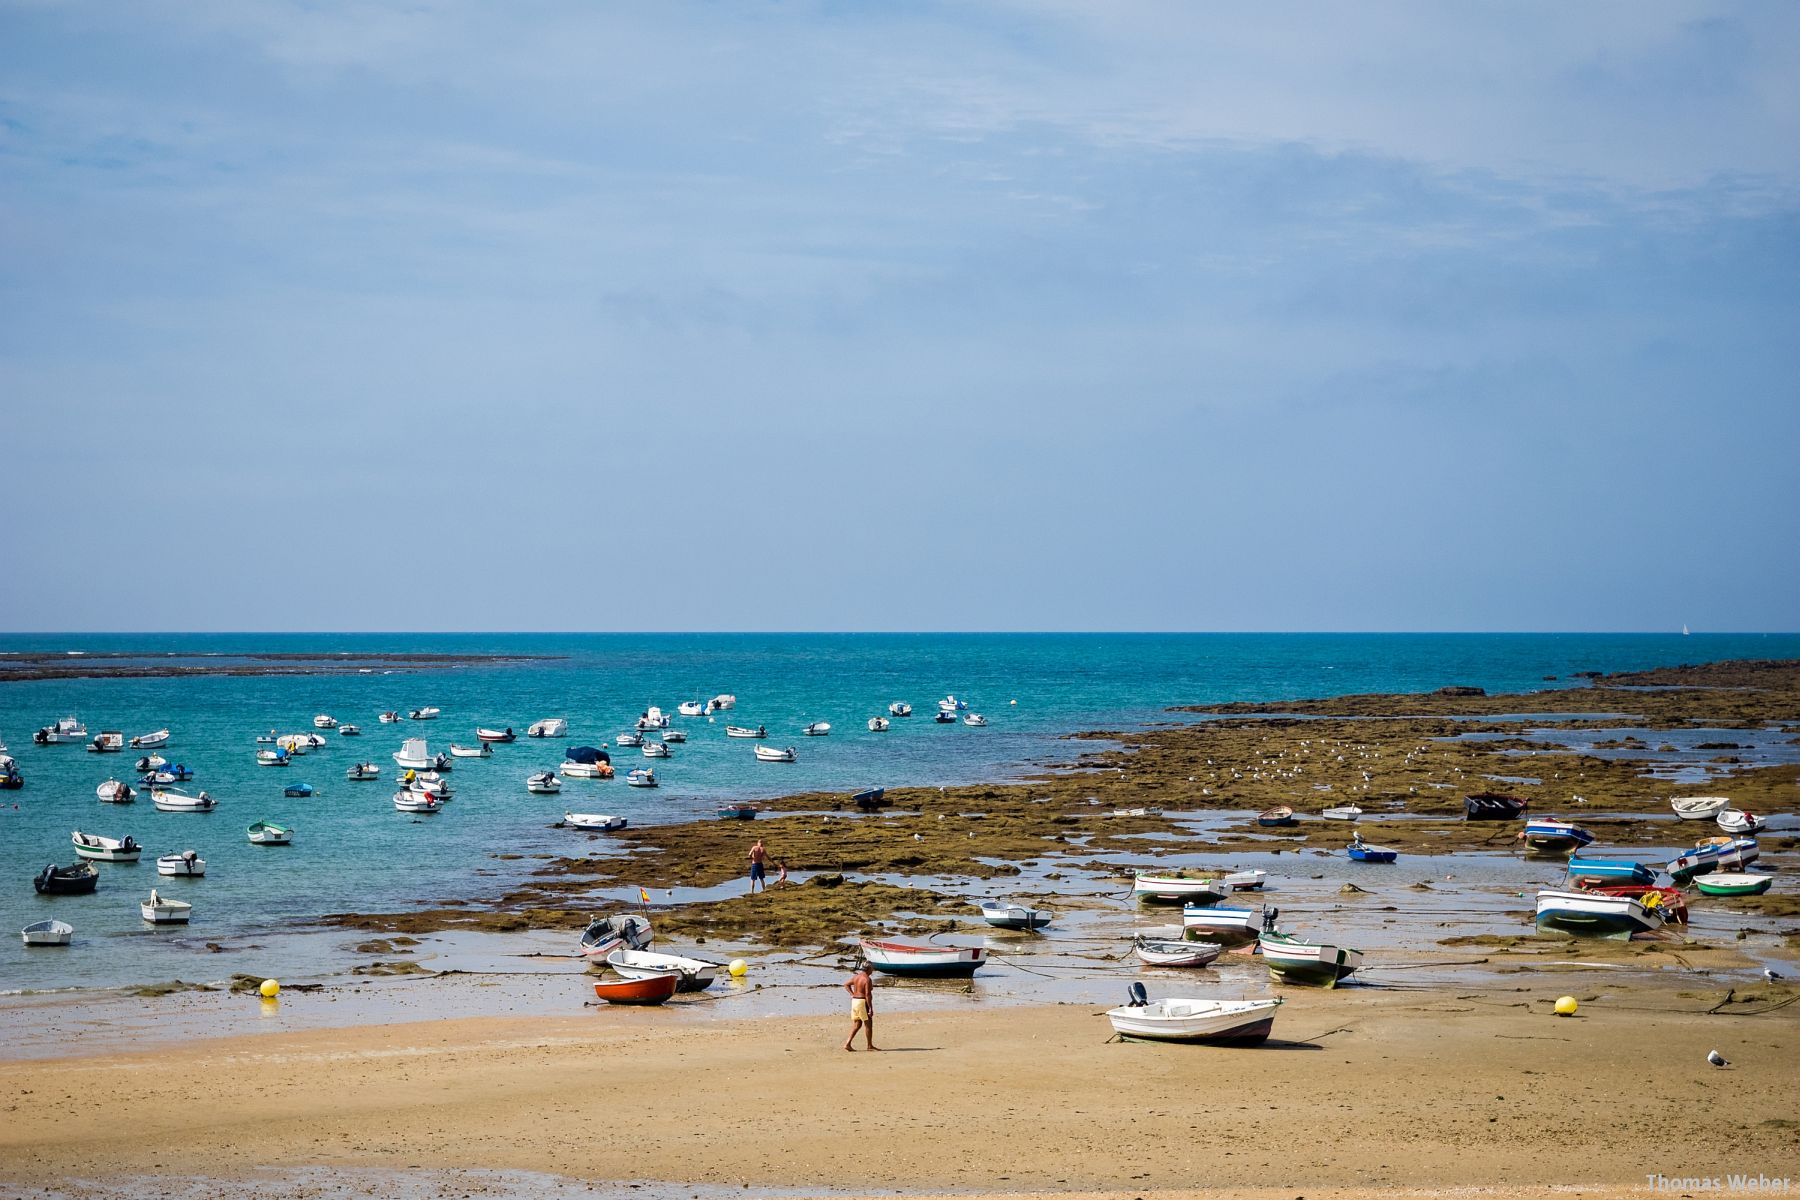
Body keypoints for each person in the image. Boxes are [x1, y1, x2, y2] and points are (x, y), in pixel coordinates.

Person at [844, 962, 877, 1051]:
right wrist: (870, 1008)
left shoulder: (856, 977)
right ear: (869, 969)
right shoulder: (867, 979)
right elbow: (868, 994)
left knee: (857, 1024)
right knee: (868, 1024)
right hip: (862, 1001)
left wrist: (852, 994)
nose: (873, 970)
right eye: (872, 968)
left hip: (855, 1001)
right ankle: (869, 1045)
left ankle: (848, 1043)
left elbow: (846, 984)